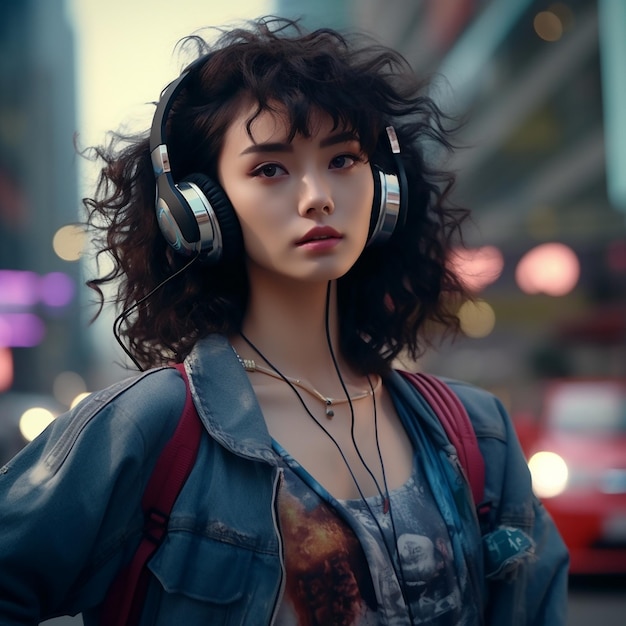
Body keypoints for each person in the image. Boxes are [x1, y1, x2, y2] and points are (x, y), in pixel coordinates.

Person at [0, 16, 568, 625]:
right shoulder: (147, 428)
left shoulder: (479, 435)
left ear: (385, 190)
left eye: (344, 159)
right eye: (270, 168)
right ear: (197, 211)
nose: (317, 195)